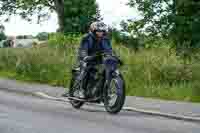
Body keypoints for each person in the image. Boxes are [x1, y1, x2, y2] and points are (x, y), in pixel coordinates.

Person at [62, 22, 113, 98]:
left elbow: (109, 50)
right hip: (86, 57)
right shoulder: (87, 38)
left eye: (102, 31)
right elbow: (83, 49)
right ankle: (81, 90)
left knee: (105, 70)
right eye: (98, 31)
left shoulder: (105, 39)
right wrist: (85, 57)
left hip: (99, 58)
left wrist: (112, 56)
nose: (100, 33)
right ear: (93, 31)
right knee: (86, 67)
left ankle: (102, 91)